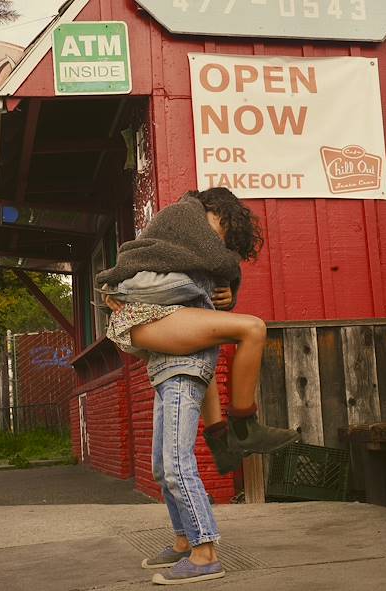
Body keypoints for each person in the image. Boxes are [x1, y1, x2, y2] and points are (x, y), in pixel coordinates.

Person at [98, 188, 299, 584]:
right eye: (222, 227)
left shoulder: (197, 259)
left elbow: (214, 276)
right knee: (161, 467)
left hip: (183, 362)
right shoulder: (184, 218)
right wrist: (116, 288)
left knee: (176, 464)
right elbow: (192, 263)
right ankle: (183, 539)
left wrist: (228, 287)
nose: (218, 241)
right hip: (165, 358)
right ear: (215, 209)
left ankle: (205, 553)